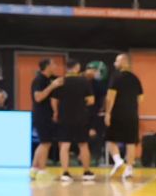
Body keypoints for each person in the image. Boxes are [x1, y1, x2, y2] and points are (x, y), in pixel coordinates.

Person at [51, 58, 96, 184]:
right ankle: (86, 172)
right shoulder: (84, 81)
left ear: (66, 68)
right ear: (77, 68)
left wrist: (55, 112)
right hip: (81, 117)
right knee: (83, 144)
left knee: (65, 145)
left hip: (64, 117)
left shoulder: (60, 81)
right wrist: (80, 103)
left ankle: (65, 173)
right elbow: (91, 100)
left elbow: (54, 100)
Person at [104, 53, 143, 181]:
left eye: (116, 61)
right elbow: (141, 98)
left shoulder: (116, 77)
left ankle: (117, 160)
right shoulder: (136, 78)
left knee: (110, 139)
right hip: (132, 113)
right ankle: (129, 168)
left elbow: (111, 97)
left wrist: (108, 113)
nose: (115, 63)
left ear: (123, 62)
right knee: (130, 142)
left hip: (117, 113)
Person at [30, 58, 63, 179]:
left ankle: (34, 168)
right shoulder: (39, 80)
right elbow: (38, 97)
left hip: (45, 114)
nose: (55, 66)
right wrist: (52, 86)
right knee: (46, 143)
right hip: (41, 115)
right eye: (53, 64)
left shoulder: (48, 79)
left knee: (44, 142)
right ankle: (42, 170)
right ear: (47, 66)